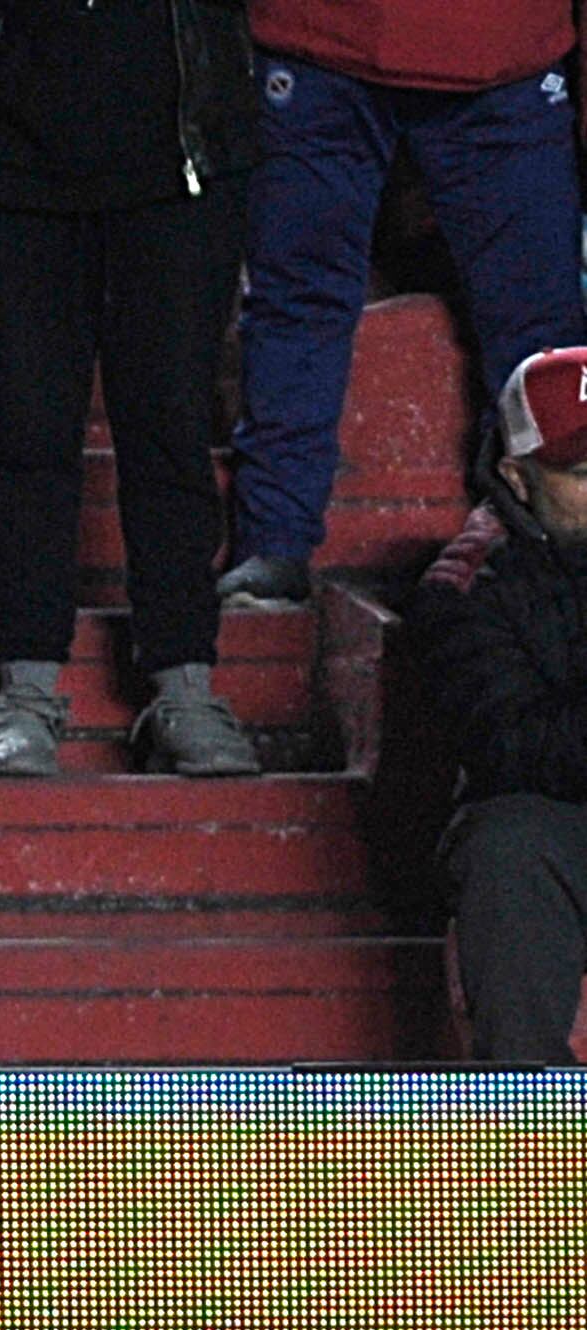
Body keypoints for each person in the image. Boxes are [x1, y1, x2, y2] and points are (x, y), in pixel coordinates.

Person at [0, 0, 262, 777]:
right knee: (28, 431)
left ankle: (183, 685)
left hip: (179, 169)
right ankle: (25, 686)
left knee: (170, 426)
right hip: (5, 170)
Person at [217, 0, 587, 611]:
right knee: (296, 304)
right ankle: (274, 544)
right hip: (321, 44)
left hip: (505, 53)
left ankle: (553, 556)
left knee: (538, 330)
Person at [401, 346, 587, 1064]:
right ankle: (529, 1127)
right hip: (560, 826)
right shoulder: (465, 587)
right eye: (580, 472)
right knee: (509, 846)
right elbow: (507, 747)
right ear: (517, 475)